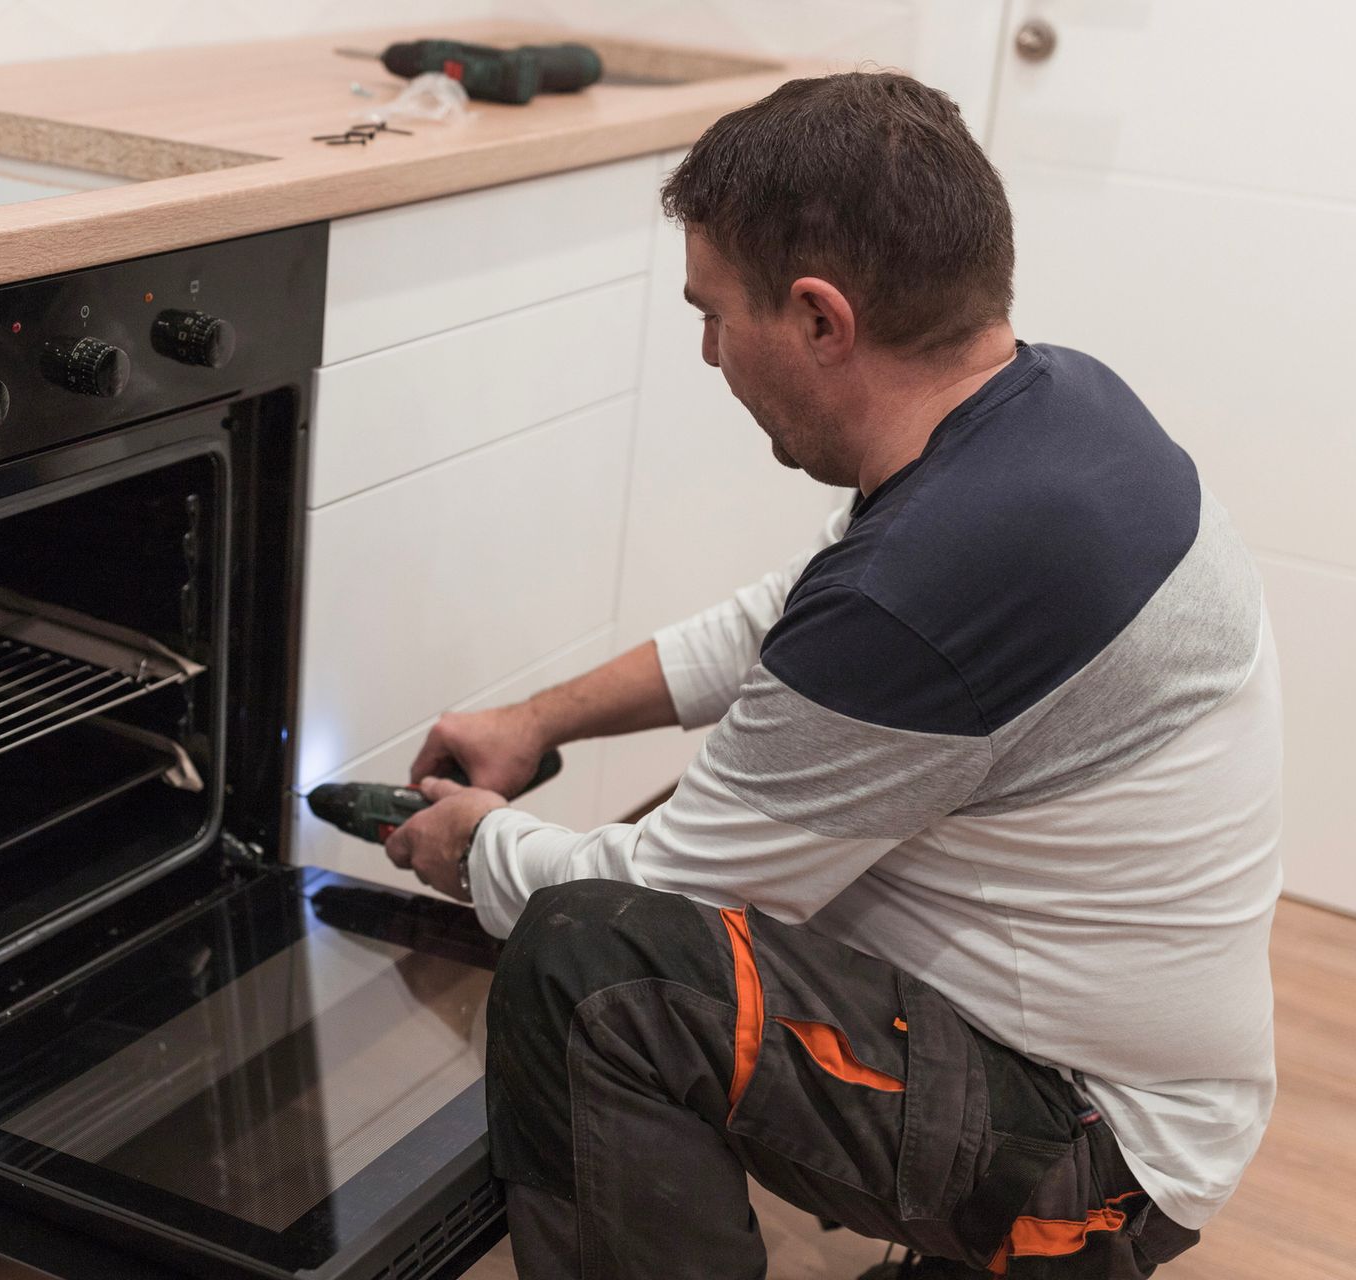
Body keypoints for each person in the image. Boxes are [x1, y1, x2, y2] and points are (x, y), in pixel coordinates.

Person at [384, 71, 1281, 1279]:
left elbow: (662, 889)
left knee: (591, 961)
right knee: (702, 843)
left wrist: (473, 846)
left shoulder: (923, 589)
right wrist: (538, 719)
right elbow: (792, 620)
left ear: (820, 317)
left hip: (1095, 1154)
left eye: (713, 313)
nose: (706, 352)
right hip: (1143, 1087)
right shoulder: (1047, 411)